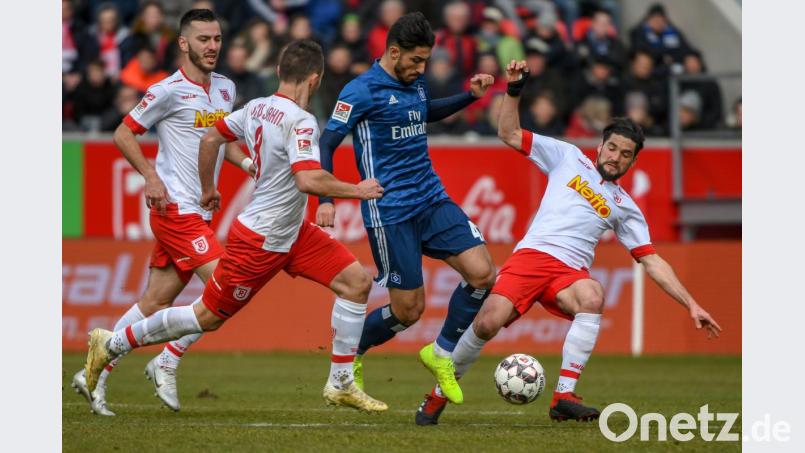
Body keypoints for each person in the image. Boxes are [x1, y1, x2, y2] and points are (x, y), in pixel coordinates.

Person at [84, 39, 389, 414]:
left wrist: (211, 188)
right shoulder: (302, 121)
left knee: (356, 283)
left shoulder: (256, 106)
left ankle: (341, 383)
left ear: (279, 72)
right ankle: (112, 344)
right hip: (261, 238)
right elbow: (308, 180)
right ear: (315, 79)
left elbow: (212, 136)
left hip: (293, 231)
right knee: (205, 317)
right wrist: (356, 190)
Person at [416, 60, 722, 425]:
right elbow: (509, 133)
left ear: (633, 160)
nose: (616, 157)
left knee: (592, 296)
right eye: (612, 148)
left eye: (625, 154)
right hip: (531, 258)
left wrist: (691, 304)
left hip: (568, 272)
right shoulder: (568, 157)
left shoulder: (626, 207)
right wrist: (514, 89)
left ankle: (564, 395)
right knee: (486, 324)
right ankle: (435, 399)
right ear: (601, 145)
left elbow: (652, 260)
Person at [70, 9, 251, 416]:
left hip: (198, 214)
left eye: (218, 39)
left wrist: (247, 165)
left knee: (153, 302)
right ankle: (167, 359)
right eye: (203, 39)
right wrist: (151, 177)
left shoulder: (225, 88)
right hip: (174, 210)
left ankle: (92, 372)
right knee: (227, 290)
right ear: (184, 43)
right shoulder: (167, 90)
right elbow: (123, 133)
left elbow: (222, 141)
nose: (212, 47)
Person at [314, 12, 497, 407]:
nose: (422, 68)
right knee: (409, 310)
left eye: (426, 60)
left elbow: (425, 111)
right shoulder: (360, 91)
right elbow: (326, 143)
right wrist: (326, 199)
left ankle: (441, 352)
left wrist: (470, 96)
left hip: (431, 197)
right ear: (393, 51)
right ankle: (354, 353)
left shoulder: (416, 82)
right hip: (390, 211)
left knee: (483, 274)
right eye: (416, 60)